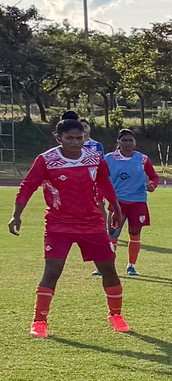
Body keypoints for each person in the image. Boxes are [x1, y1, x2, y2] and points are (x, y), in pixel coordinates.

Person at [9, 115, 125, 338]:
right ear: (58, 138)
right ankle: (39, 321)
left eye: (79, 137)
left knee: (108, 269)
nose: (75, 142)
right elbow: (28, 186)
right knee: (52, 271)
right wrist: (16, 215)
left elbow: (104, 183)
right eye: (70, 138)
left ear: (85, 137)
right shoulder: (46, 160)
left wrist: (116, 209)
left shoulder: (94, 157)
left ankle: (116, 316)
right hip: (58, 224)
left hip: (91, 223)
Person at [102, 129, 160, 277]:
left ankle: (131, 266)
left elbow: (153, 176)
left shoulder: (142, 159)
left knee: (135, 234)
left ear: (134, 142)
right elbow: (100, 177)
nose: (128, 143)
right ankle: (107, 266)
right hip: (118, 202)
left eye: (130, 140)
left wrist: (152, 185)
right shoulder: (109, 158)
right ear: (118, 142)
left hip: (138, 202)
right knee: (113, 233)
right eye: (125, 140)